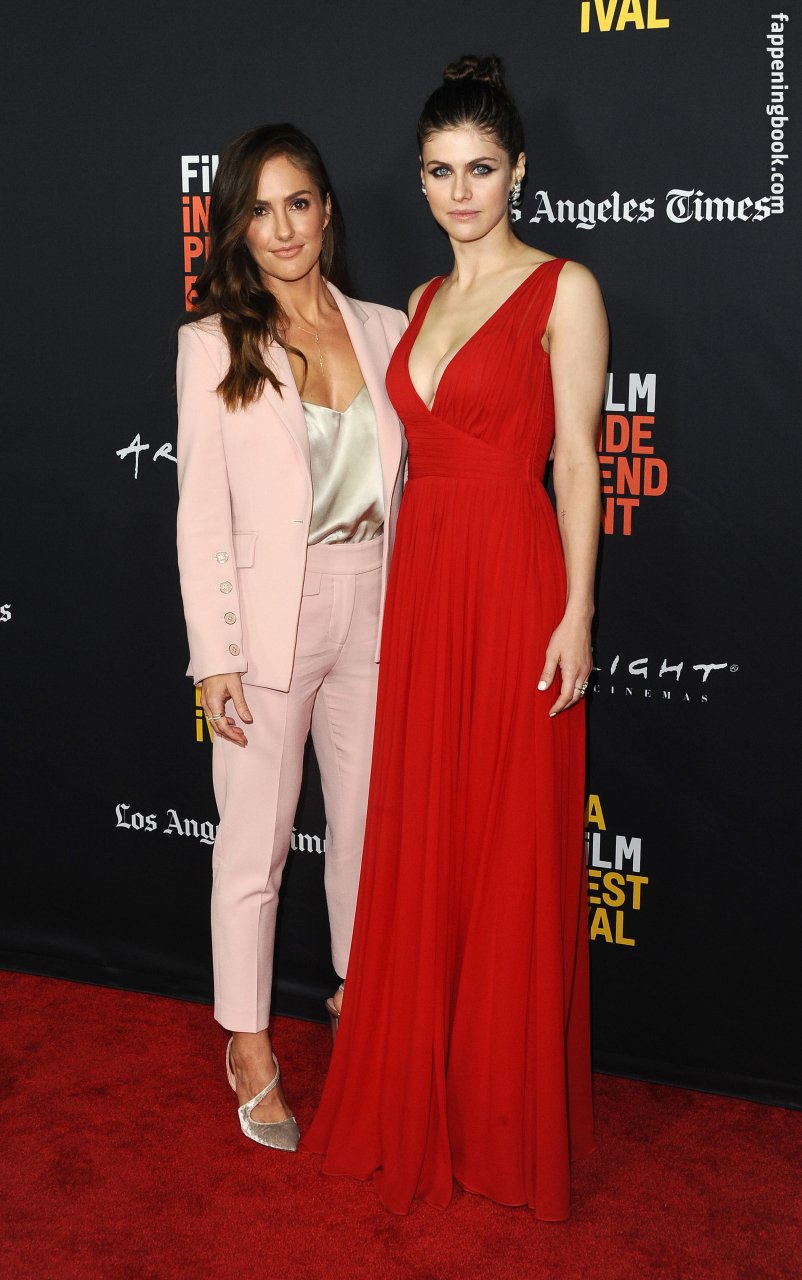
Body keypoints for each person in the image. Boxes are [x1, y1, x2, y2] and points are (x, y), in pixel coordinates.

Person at [304, 56, 608, 1219]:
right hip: (424, 588)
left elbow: (576, 462)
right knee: (426, 832)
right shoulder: (421, 300)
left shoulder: (563, 288)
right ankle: (425, 1089)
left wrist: (576, 611)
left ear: (518, 170)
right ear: (421, 179)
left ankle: (499, 1118)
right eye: (439, 172)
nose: (459, 192)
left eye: (480, 169)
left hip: (516, 582)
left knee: (508, 839)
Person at [176, 124, 406, 1152]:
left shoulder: (387, 330)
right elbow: (200, 515)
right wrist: (215, 654)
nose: (282, 229)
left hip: (377, 601)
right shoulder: (213, 343)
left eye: (298, 204)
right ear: (237, 223)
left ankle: (361, 1002)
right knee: (254, 842)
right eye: (260, 209)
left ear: (326, 210)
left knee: (365, 833)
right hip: (270, 615)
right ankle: (248, 1039)